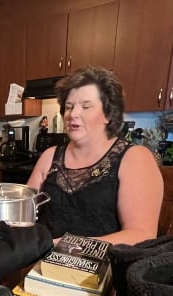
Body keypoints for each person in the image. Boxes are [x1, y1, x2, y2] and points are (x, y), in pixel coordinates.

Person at [26, 66, 162, 245]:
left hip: (103, 268)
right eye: (69, 106)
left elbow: (141, 234)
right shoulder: (50, 156)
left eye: (86, 106)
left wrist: (65, 246)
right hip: (43, 265)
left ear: (108, 114)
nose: (73, 114)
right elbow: (25, 213)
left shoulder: (135, 158)